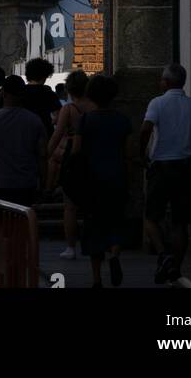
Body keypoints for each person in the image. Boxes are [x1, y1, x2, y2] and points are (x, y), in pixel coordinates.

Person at [140, 63, 191, 285]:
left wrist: (141, 155)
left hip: (161, 165)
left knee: (150, 217)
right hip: (187, 167)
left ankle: (163, 254)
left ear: (165, 82)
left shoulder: (157, 103)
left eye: (161, 79)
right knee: (181, 222)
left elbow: (146, 129)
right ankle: (175, 267)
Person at [72, 74, 131, 289]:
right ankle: (114, 255)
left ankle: (97, 278)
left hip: (92, 181)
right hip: (116, 177)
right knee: (115, 221)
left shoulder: (86, 120)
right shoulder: (121, 120)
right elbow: (126, 154)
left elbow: (77, 151)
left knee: (94, 227)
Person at [47, 68, 94, 259]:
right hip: (91, 155)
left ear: (69, 89)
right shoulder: (94, 107)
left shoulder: (68, 109)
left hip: (72, 157)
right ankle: (94, 243)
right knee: (92, 204)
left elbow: (57, 135)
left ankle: (71, 247)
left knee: (70, 205)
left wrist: (46, 153)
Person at [0, 75, 48, 206]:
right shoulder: (35, 121)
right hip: (26, 185)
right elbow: (42, 156)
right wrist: (44, 186)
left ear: (3, 93)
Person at [22, 58, 58, 136]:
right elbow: (58, 115)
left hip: (24, 133)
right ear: (45, 75)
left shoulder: (20, 92)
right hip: (45, 133)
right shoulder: (49, 93)